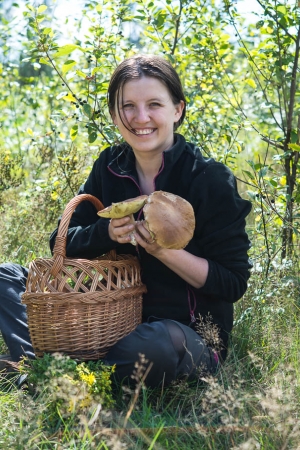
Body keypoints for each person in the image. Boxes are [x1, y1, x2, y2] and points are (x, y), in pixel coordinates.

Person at [0, 54, 252, 388]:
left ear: (177, 110)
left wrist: (164, 251)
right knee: (6, 278)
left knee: (154, 345)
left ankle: (52, 372)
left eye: (154, 104)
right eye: (128, 106)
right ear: (114, 115)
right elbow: (63, 240)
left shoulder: (208, 179)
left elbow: (232, 282)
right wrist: (106, 232)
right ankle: (57, 371)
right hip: (107, 322)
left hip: (182, 334)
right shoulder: (109, 166)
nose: (140, 117)